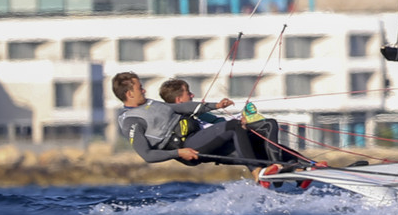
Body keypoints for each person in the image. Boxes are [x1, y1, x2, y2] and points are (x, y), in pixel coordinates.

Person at [112, 71, 276, 169]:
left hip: (202, 138)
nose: (144, 90)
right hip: (189, 146)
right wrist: (178, 152)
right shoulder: (131, 121)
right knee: (236, 129)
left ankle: (294, 168)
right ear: (130, 94)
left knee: (265, 142)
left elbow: (184, 108)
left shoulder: (152, 104)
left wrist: (215, 105)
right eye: (140, 88)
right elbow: (147, 155)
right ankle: (257, 172)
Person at [158, 77, 288, 167]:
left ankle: (296, 166)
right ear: (179, 99)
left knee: (265, 131)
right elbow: (216, 127)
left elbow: (219, 121)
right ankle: (277, 165)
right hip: (209, 149)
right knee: (268, 126)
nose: (192, 95)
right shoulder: (174, 115)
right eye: (188, 93)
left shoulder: (197, 113)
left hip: (220, 143)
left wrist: (241, 116)